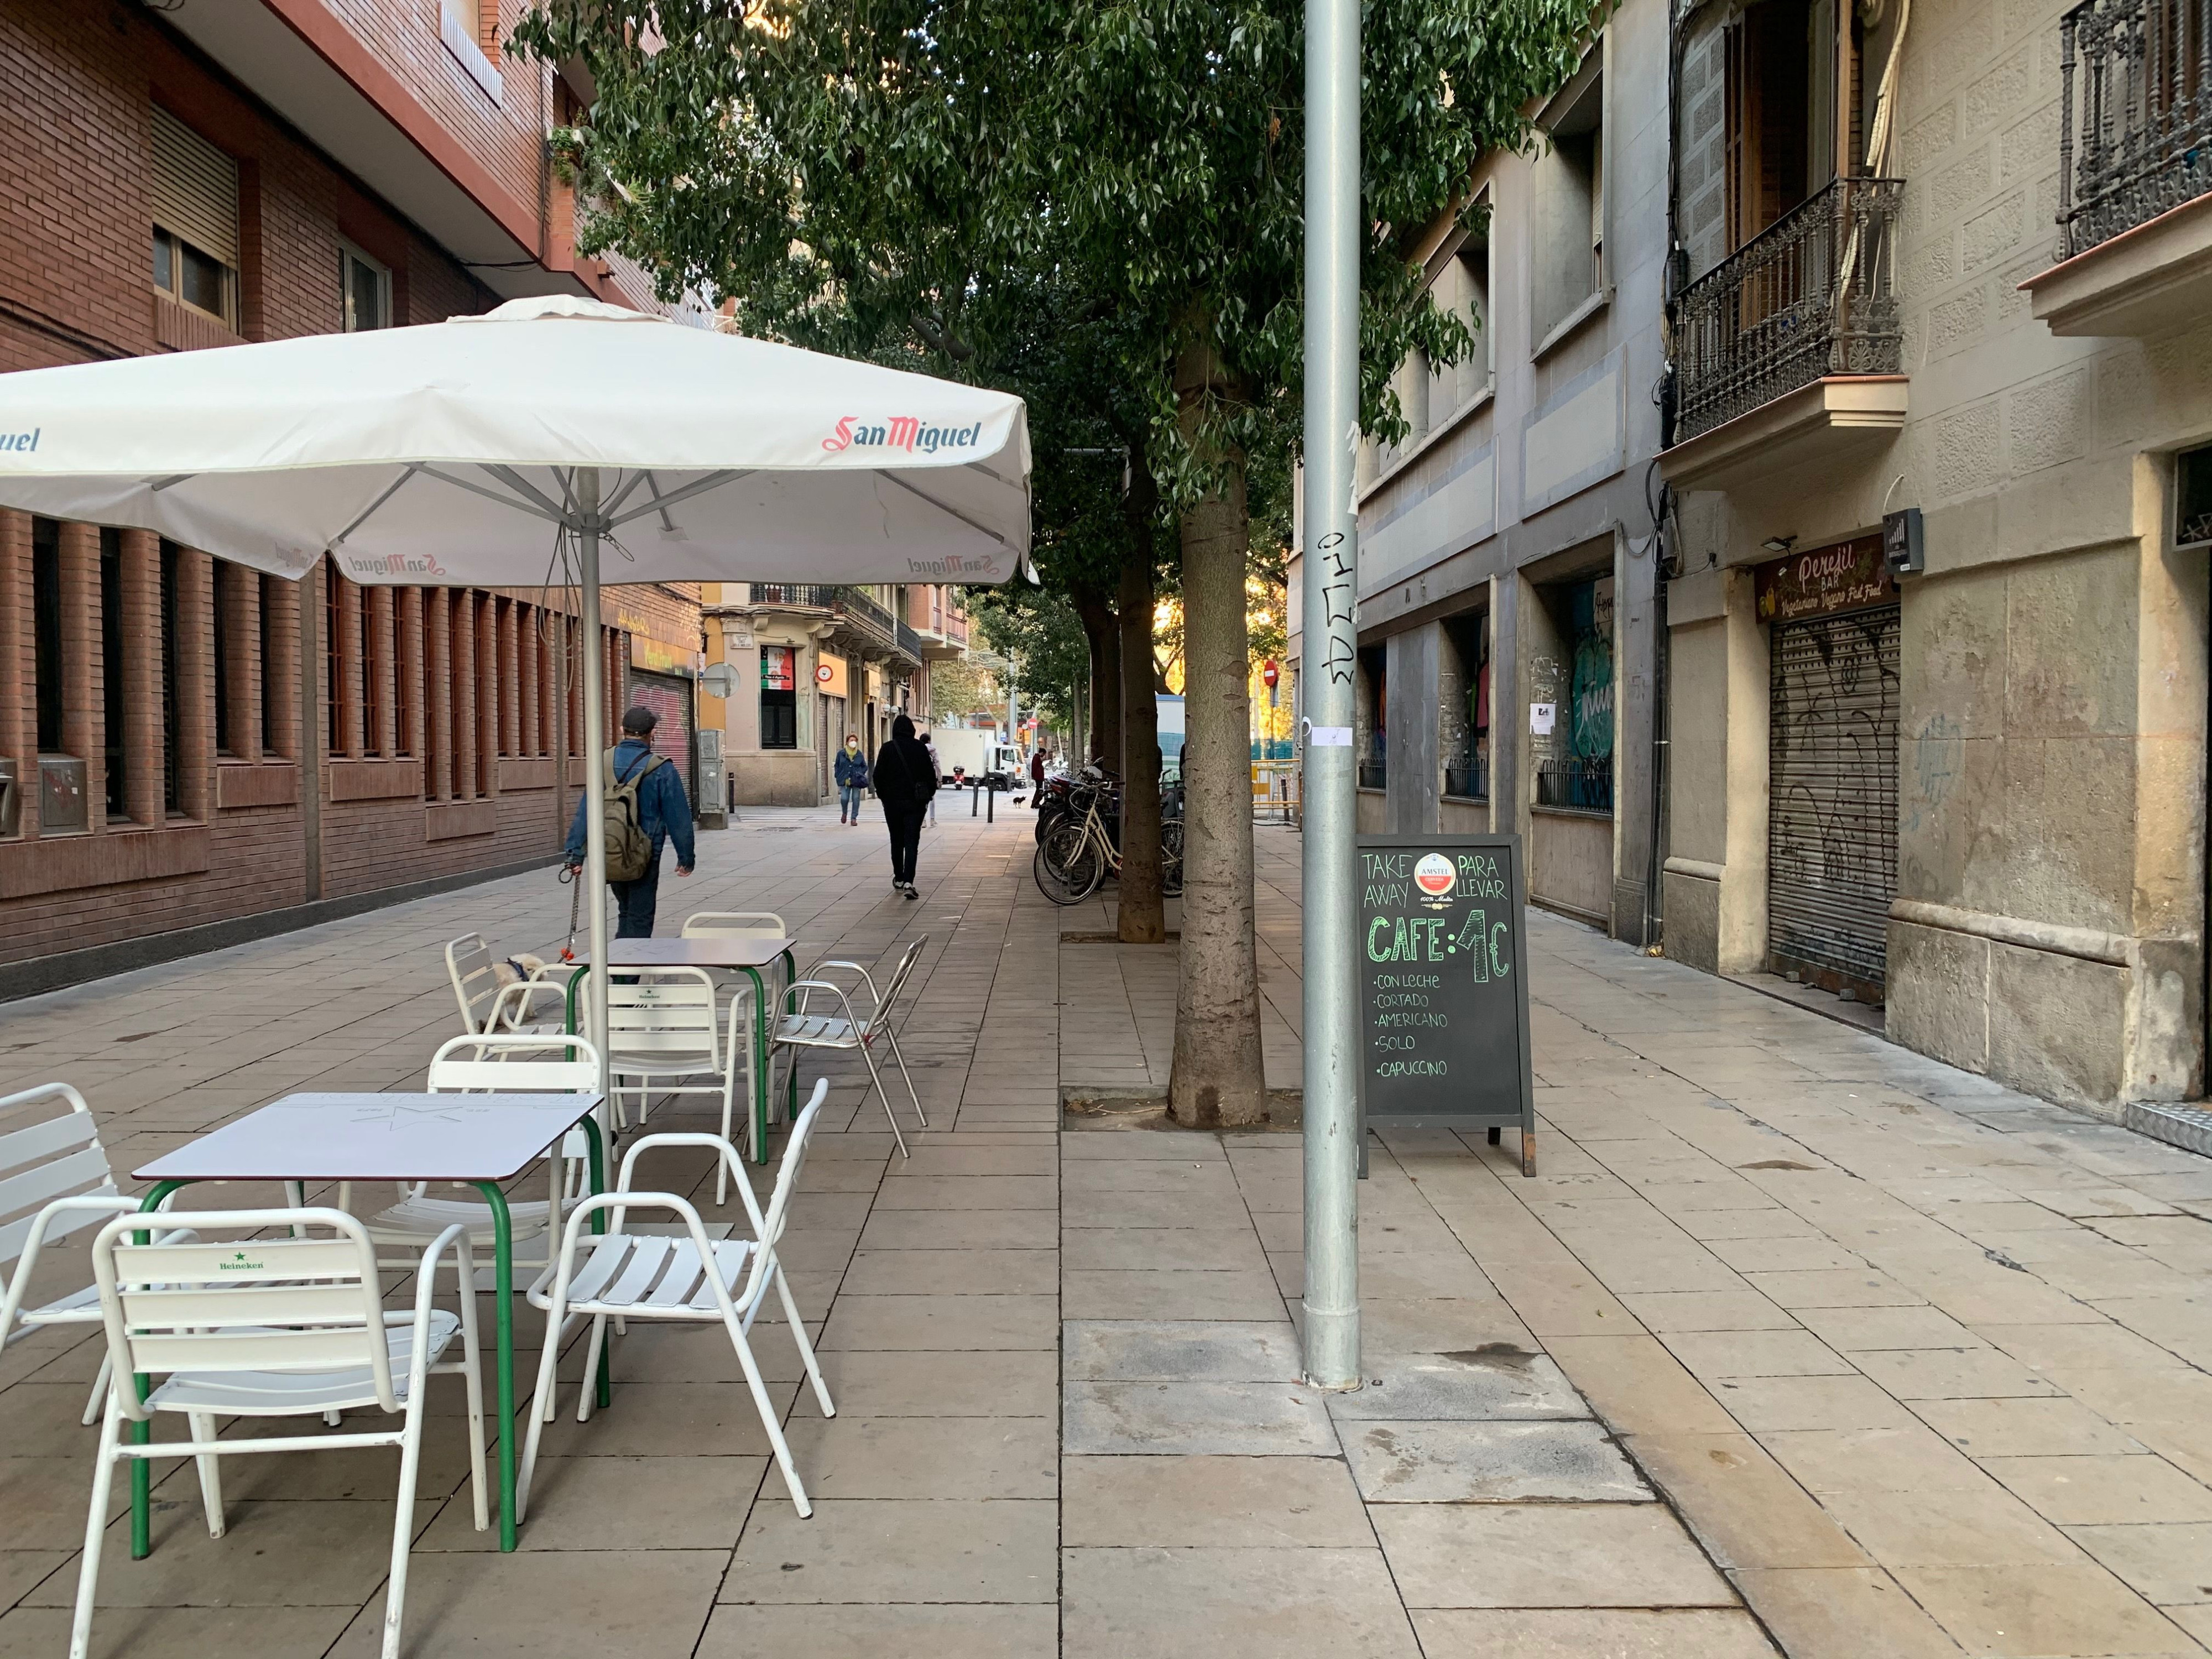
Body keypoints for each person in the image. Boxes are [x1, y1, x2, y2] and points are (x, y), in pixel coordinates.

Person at [564, 705, 695, 937]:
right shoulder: (662, 768)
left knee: (625, 911)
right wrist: (686, 857)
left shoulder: (603, 762)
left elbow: (587, 809)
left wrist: (575, 854)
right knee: (640, 916)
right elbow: (679, 818)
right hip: (645, 854)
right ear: (652, 733)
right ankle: (626, 973)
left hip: (609, 850)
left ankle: (619, 968)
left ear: (622, 729)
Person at [872, 712, 936, 899]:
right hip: (915, 805)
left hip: (892, 804)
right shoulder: (920, 748)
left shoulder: (887, 749)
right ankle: (909, 881)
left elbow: (877, 777)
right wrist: (926, 798)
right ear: (912, 730)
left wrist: (885, 797)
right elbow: (930, 776)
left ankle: (899, 878)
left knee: (896, 840)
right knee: (911, 842)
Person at [834, 734, 869, 826]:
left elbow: (864, 766)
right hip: (845, 780)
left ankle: (854, 818)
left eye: (855, 740)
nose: (853, 742)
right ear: (847, 742)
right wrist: (838, 775)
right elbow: (837, 765)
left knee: (856, 799)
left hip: (856, 781)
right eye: (851, 740)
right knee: (844, 798)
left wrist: (860, 774)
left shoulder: (859, 754)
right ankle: (844, 813)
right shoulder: (841, 753)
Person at [920, 729, 942, 825]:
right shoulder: (933, 750)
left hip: (920, 776)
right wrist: (940, 780)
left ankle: (923, 821)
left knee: (921, 799)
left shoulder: (918, 749)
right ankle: (932, 820)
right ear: (929, 741)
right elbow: (938, 765)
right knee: (931, 797)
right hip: (931, 776)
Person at [1030, 744, 1046, 808]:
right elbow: (1035, 768)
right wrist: (1034, 776)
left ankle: (1036, 803)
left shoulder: (1037, 758)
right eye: (1044, 754)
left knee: (1039, 790)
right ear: (1042, 753)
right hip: (1038, 777)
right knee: (1039, 791)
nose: (1044, 756)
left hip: (1039, 777)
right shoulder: (1037, 758)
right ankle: (1035, 803)